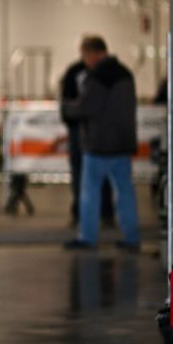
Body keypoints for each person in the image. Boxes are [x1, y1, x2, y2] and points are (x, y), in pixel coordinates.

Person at [62, 36, 141, 251]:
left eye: (85, 56)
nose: (85, 61)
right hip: (122, 144)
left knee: (90, 193)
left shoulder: (97, 77)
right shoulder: (126, 73)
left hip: (98, 145)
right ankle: (132, 237)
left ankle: (87, 237)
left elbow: (86, 107)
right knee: (125, 191)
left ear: (93, 54)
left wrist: (68, 107)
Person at [59, 43, 115, 226]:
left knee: (103, 175)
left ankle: (105, 212)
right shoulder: (74, 72)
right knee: (80, 174)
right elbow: (67, 101)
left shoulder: (107, 75)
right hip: (80, 131)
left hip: (101, 133)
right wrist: (72, 119)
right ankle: (80, 213)